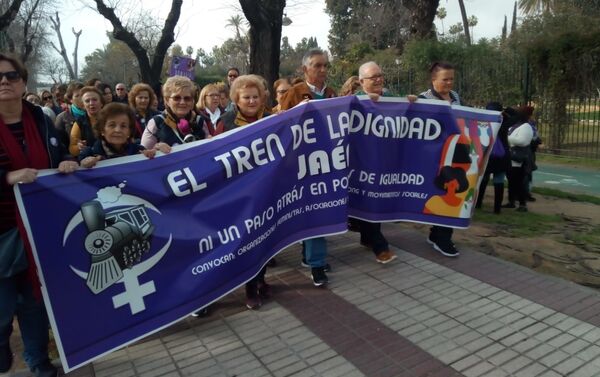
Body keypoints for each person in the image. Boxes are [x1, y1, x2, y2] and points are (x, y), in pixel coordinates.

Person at [0, 53, 79, 377]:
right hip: (2, 231)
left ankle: (38, 362)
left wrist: (65, 163)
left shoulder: (40, 118)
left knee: (34, 301)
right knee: (3, 307)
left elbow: (56, 155)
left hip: (38, 228)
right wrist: (7, 178)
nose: (3, 82)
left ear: (23, 83)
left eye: (10, 76)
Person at [278, 49, 336, 286]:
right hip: (304, 164)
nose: (322, 70)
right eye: (317, 65)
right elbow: (279, 124)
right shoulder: (294, 93)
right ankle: (316, 263)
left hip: (329, 160)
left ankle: (312, 255)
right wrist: (295, 112)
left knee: (323, 208)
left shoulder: (332, 93)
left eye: (325, 66)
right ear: (305, 69)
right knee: (313, 210)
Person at [214, 75, 273, 309]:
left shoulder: (271, 119)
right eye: (246, 97)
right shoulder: (226, 121)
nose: (251, 101)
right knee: (247, 238)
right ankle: (250, 287)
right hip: (239, 191)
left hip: (267, 188)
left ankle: (261, 279)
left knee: (267, 235)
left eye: (255, 97)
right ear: (236, 99)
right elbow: (214, 153)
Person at [345, 62, 400, 264]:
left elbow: (408, 115)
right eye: (372, 77)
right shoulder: (354, 102)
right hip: (362, 163)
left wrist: (413, 103)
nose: (378, 79)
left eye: (380, 75)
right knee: (370, 199)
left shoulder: (392, 98)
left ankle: (367, 238)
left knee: (376, 200)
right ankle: (380, 247)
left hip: (385, 160)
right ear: (361, 82)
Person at [418, 62, 463, 257]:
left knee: (452, 192)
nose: (449, 83)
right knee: (440, 194)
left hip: (455, 154)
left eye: (452, 78)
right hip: (433, 157)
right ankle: (441, 237)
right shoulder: (423, 99)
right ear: (433, 79)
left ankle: (439, 235)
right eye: (445, 79)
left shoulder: (456, 97)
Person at [79, 103, 167, 168]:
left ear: (129, 132)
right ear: (102, 130)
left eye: (123, 126)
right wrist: (81, 166)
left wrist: (158, 153)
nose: (118, 130)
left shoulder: (140, 152)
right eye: (112, 125)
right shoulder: (88, 154)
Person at [141, 75, 205, 150]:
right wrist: (155, 149)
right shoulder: (156, 123)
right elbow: (142, 155)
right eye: (176, 98)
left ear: (192, 101)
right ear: (167, 100)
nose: (182, 102)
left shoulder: (200, 121)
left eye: (187, 98)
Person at [476, 103, 516, 214]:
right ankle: (497, 209)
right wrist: (507, 110)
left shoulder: (482, 123)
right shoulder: (503, 124)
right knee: (499, 181)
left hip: (486, 155)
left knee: (483, 180)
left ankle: (478, 203)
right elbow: (516, 116)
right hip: (501, 156)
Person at [507, 108, 535, 212]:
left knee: (518, 182)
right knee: (511, 181)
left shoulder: (526, 127)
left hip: (518, 157)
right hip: (511, 157)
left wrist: (507, 138)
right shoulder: (515, 126)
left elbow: (522, 141)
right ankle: (511, 201)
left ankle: (522, 204)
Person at [69, 86, 105, 157]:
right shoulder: (79, 123)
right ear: (83, 105)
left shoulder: (111, 118)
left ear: (101, 103)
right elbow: (72, 148)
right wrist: (79, 147)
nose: (91, 103)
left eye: (94, 99)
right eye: (87, 101)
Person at [54, 82, 84, 147]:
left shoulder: (94, 113)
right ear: (71, 99)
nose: (81, 98)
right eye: (77, 96)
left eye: (83, 94)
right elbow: (60, 143)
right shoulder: (62, 118)